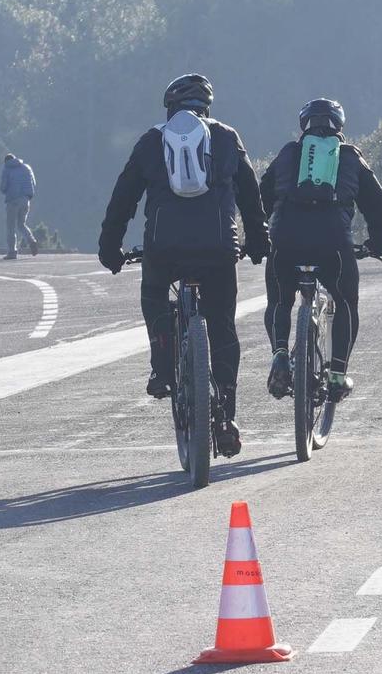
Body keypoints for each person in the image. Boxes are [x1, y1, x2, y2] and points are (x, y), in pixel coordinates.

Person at [98, 74, 269, 458]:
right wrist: (258, 243)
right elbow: (250, 196)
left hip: (164, 249)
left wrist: (110, 248)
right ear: (206, 107)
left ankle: (162, 367)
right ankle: (226, 416)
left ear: (169, 108)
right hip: (219, 249)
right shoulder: (225, 137)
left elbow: (122, 198)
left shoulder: (150, 141)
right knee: (222, 324)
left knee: (155, 294)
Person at [259, 99, 382, 403]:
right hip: (333, 242)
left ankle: (280, 354)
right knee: (344, 301)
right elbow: (376, 203)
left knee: (279, 299)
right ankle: (337, 376)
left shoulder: (288, 153)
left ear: (304, 125)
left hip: (285, 239)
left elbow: (261, 197)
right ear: (339, 126)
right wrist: (378, 243)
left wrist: (260, 236)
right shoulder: (349, 156)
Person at [0, 152, 38, 260]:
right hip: (26, 200)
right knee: (21, 224)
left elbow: (3, 187)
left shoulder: (7, 169)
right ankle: (31, 241)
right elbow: (33, 183)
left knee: (10, 227)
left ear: (6, 161)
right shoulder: (27, 167)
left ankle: (12, 252)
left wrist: (5, 191)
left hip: (13, 201)